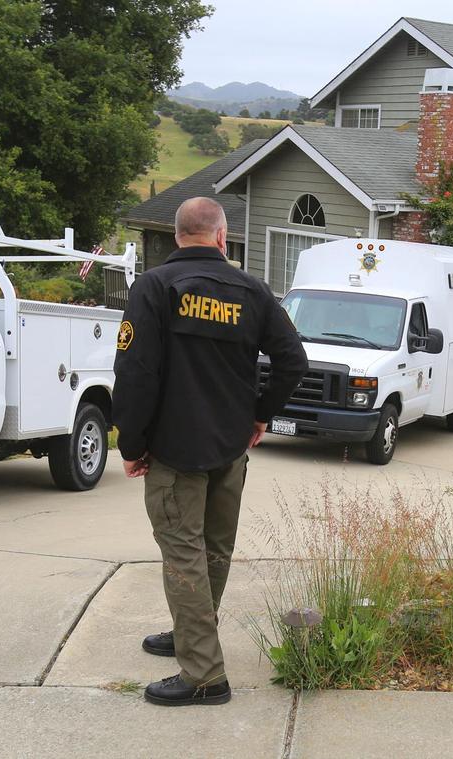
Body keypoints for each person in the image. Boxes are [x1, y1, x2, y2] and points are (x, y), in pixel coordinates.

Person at [112, 197, 307, 707]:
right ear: (222, 238)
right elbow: (293, 360)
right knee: (213, 553)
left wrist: (131, 443)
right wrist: (261, 412)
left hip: (175, 451)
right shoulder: (252, 291)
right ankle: (191, 635)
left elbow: (135, 374)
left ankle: (203, 676)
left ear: (178, 236)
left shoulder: (154, 288)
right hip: (228, 449)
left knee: (184, 557)